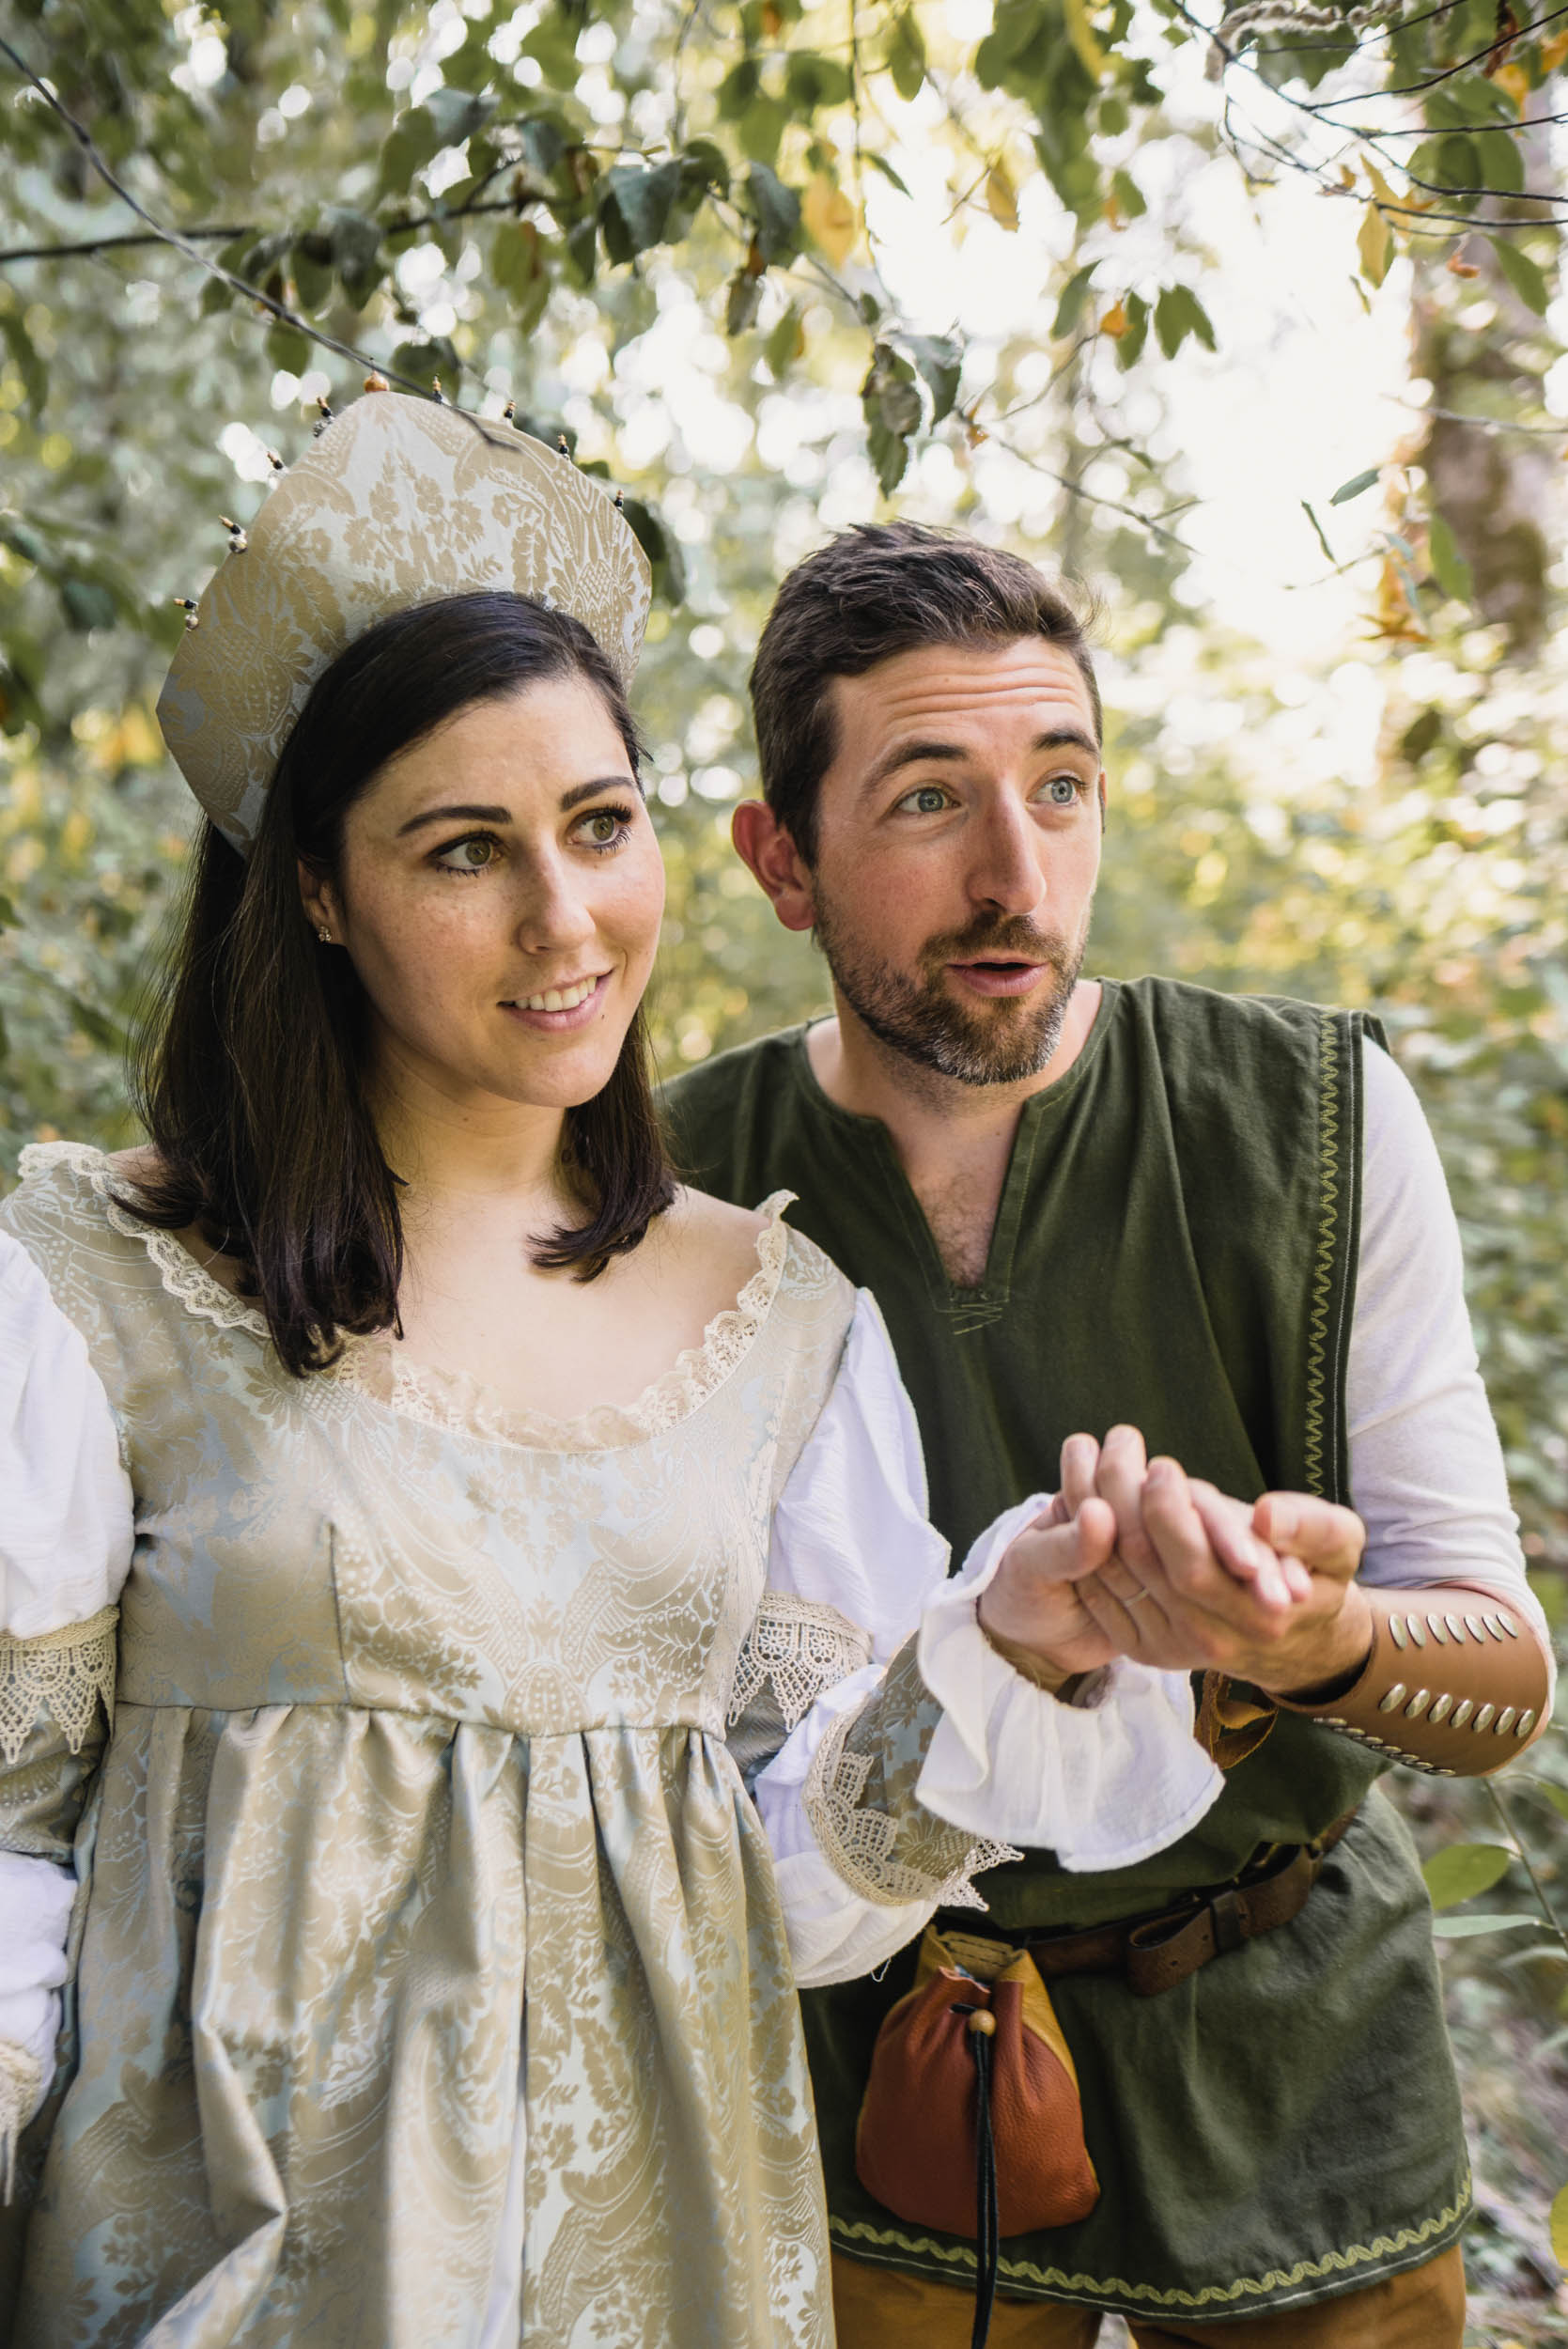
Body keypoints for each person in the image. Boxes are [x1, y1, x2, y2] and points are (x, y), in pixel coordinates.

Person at [0, 396, 1317, 2348]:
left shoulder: (777, 1330)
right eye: (465, 849)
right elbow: (16, 1839)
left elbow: (786, 1895)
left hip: (654, 2270)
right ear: (313, 886)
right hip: (228, 2273)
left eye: (599, 826)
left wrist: (1011, 1642)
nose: (565, 920)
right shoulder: (105, 1290)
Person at [661, 521, 1556, 2348]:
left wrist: (1314, 1639)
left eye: (1057, 786)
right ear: (779, 855)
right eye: (926, 800)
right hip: (876, 2068)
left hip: (1298, 2043)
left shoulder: (1310, 1117)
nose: (1017, 872)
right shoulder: (673, 1192)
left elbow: (1507, 1668)